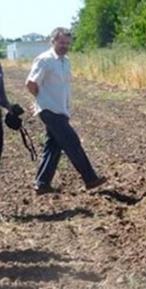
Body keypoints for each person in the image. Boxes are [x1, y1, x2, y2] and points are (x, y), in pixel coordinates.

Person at [26, 27, 107, 194]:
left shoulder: (65, 60)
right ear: (53, 41)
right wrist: (40, 101)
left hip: (61, 110)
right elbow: (31, 83)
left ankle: (42, 184)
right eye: (61, 42)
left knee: (53, 146)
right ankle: (90, 179)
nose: (64, 45)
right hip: (49, 109)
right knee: (72, 142)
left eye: (67, 43)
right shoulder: (44, 60)